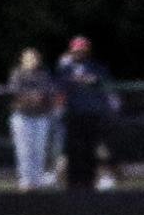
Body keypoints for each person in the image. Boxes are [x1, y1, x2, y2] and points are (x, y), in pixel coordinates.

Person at [55, 37, 119, 192]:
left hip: (92, 115)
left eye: (82, 50)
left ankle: (90, 183)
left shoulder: (97, 67)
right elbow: (59, 87)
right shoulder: (65, 69)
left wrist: (91, 80)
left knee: (92, 149)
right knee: (73, 150)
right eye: (76, 50)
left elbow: (105, 85)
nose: (79, 53)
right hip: (73, 115)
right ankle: (73, 184)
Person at [7, 48, 58, 190]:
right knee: (24, 150)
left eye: (35, 57)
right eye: (28, 57)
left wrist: (37, 97)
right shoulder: (17, 73)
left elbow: (48, 93)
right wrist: (32, 97)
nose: (32, 60)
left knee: (39, 149)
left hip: (40, 116)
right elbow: (15, 92)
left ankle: (38, 180)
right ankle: (25, 181)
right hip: (22, 116)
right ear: (23, 59)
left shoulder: (43, 75)